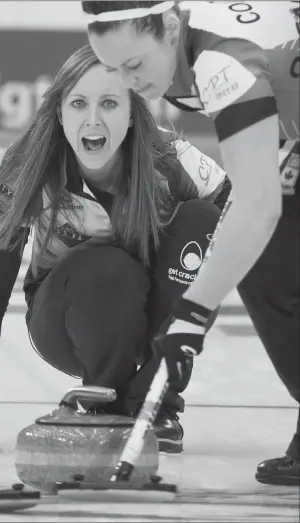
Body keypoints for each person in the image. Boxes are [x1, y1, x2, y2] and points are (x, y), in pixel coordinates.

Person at [0, 44, 230, 456]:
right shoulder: (27, 172)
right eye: (79, 104)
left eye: (109, 103)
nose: (93, 119)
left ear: (132, 114)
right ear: (59, 114)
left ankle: (155, 401)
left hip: (150, 320)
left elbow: (248, 224)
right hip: (64, 324)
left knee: (204, 219)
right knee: (108, 265)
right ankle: (101, 397)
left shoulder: (169, 158)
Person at [81, 1, 300, 485]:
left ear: (172, 28)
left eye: (134, 65)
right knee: (265, 265)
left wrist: (192, 314)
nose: (128, 82)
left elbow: (258, 204)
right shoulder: (181, 52)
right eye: (115, 69)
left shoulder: (221, 58)